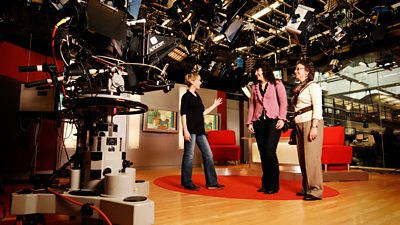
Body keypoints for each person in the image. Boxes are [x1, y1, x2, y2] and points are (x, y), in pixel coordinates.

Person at [246, 59, 288, 194]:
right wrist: (249, 122)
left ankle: (274, 185)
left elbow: (284, 103)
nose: (257, 73)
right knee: (263, 153)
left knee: (269, 152)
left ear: (265, 71)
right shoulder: (254, 87)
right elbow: (252, 105)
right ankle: (265, 184)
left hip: (273, 121)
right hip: (259, 122)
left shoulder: (277, 84)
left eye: (259, 70)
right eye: (256, 70)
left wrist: (282, 118)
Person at [180, 72, 224, 191]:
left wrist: (214, 105)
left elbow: (202, 113)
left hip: (200, 130)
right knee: (189, 156)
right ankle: (187, 182)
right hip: (190, 130)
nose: (200, 82)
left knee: (208, 154)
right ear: (192, 81)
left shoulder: (197, 96)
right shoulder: (186, 96)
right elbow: (183, 114)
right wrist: (185, 131)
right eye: (199, 80)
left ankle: (212, 183)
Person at [292, 59, 324, 201]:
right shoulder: (300, 88)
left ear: (307, 71)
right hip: (299, 123)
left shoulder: (314, 86)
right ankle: (306, 188)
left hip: (309, 123)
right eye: (296, 69)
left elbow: (317, 108)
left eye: (299, 69)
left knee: (312, 158)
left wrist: (314, 127)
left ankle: (316, 190)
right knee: (303, 158)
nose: (296, 71)